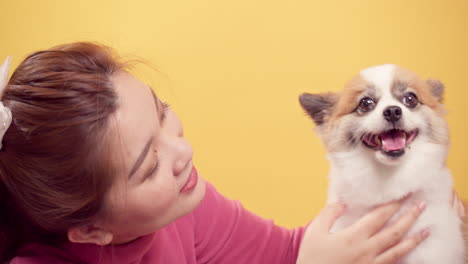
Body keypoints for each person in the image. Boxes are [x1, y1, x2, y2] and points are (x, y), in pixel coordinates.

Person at [0, 42, 461, 264]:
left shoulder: (183, 206)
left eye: (162, 114)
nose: (183, 150)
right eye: (149, 166)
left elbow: (291, 254)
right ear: (91, 230)